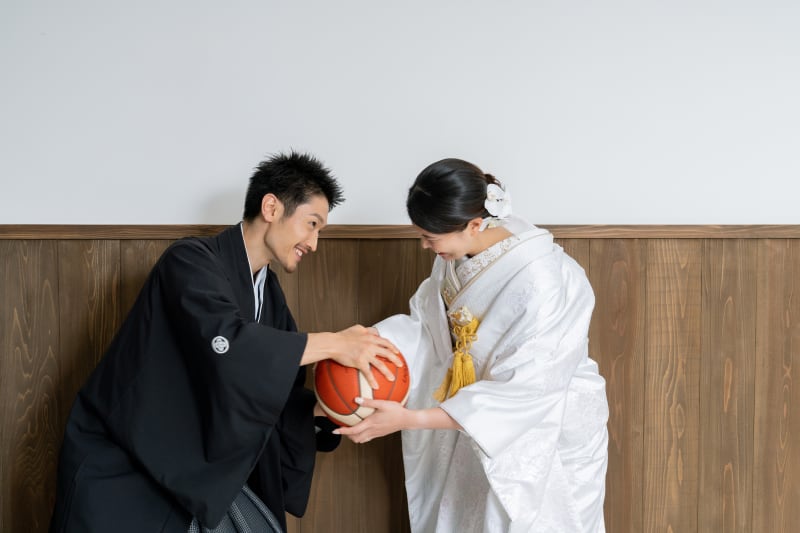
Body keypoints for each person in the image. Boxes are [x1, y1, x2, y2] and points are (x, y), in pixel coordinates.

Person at [49, 151, 402, 533]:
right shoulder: (188, 261)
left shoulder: (270, 297)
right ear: (271, 207)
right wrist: (335, 344)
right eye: (311, 224)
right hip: (125, 466)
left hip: (182, 475)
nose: (314, 243)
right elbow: (230, 347)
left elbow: (277, 395)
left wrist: (338, 409)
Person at [336, 158, 609, 532]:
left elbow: (526, 388)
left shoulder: (540, 280)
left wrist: (410, 419)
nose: (424, 245)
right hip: (476, 411)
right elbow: (429, 330)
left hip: (543, 416)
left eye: (431, 237)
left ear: (475, 225)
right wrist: (370, 343)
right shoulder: (459, 251)